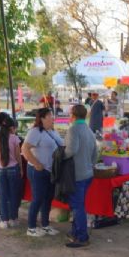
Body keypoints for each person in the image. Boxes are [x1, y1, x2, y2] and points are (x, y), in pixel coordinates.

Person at [22, 108, 63, 237]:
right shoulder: (35, 132)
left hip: (51, 171)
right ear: (42, 118)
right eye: (49, 115)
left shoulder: (53, 131)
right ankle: (31, 227)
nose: (52, 118)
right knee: (38, 198)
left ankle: (45, 225)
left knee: (48, 198)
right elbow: (25, 149)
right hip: (38, 171)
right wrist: (36, 163)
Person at [64, 104, 97, 248]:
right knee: (78, 205)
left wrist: (60, 156)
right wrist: (89, 165)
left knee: (77, 207)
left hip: (77, 174)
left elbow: (71, 150)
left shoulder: (73, 129)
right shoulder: (89, 130)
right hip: (88, 173)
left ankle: (82, 237)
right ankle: (75, 232)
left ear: (73, 115)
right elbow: (95, 153)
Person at [0, 116, 22, 229]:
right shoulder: (15, 138)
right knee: (13, 195)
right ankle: (13, 219)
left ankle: (4, 221)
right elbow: (18, 155)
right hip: (13, 169)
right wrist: (21, 168)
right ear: (11, 127)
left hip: (0, 169)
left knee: (3, 196)